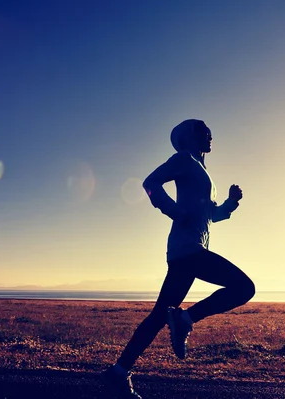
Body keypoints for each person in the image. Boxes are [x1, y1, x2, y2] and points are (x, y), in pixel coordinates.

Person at [102, 119, 255, 398]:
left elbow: (212, 215)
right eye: (203, 132)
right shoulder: (184, 159)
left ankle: (117, 373)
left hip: (186, 251)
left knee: (159, 316)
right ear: (189, 136)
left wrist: (232, 203)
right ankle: (186, 318)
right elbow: (150, 183)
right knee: (244, 288)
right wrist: (174, 212)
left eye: (210, 132)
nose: (210, 136)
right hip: (189, 249)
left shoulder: (202, 173)